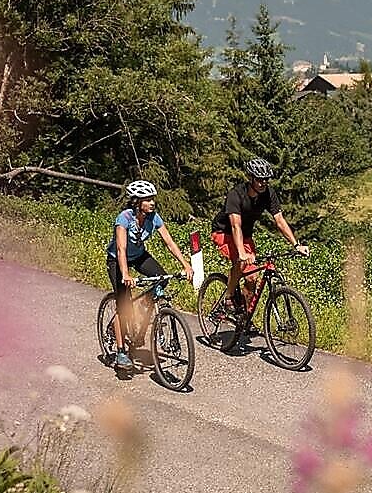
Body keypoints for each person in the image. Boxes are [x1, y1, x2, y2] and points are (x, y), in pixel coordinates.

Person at [211, 156, 307, 351]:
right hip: (224, 232)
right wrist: (241, 253)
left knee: (252, 280)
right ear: (251, 178)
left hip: (245, 236)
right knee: (245, 266)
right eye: (259, 179)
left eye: (266, 179)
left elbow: (279, 221)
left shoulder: (268, 194)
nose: (263, 183)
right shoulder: (235, 195)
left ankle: (244, 316)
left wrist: (296, 244)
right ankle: (228, 297)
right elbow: (235, 225)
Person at [106, 179, 191, 370]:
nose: (152, 202)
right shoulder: (124, 218)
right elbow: (121, 248)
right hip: (118, 260)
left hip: (139, 256)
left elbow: (169, 242)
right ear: (137, 202)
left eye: (153, 199)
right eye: (148, 199)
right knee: (124, 304)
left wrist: (186, 265)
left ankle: (145, 306)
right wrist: (125, 275)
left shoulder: (154, 218)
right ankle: (120, 352)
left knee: (161, 277)